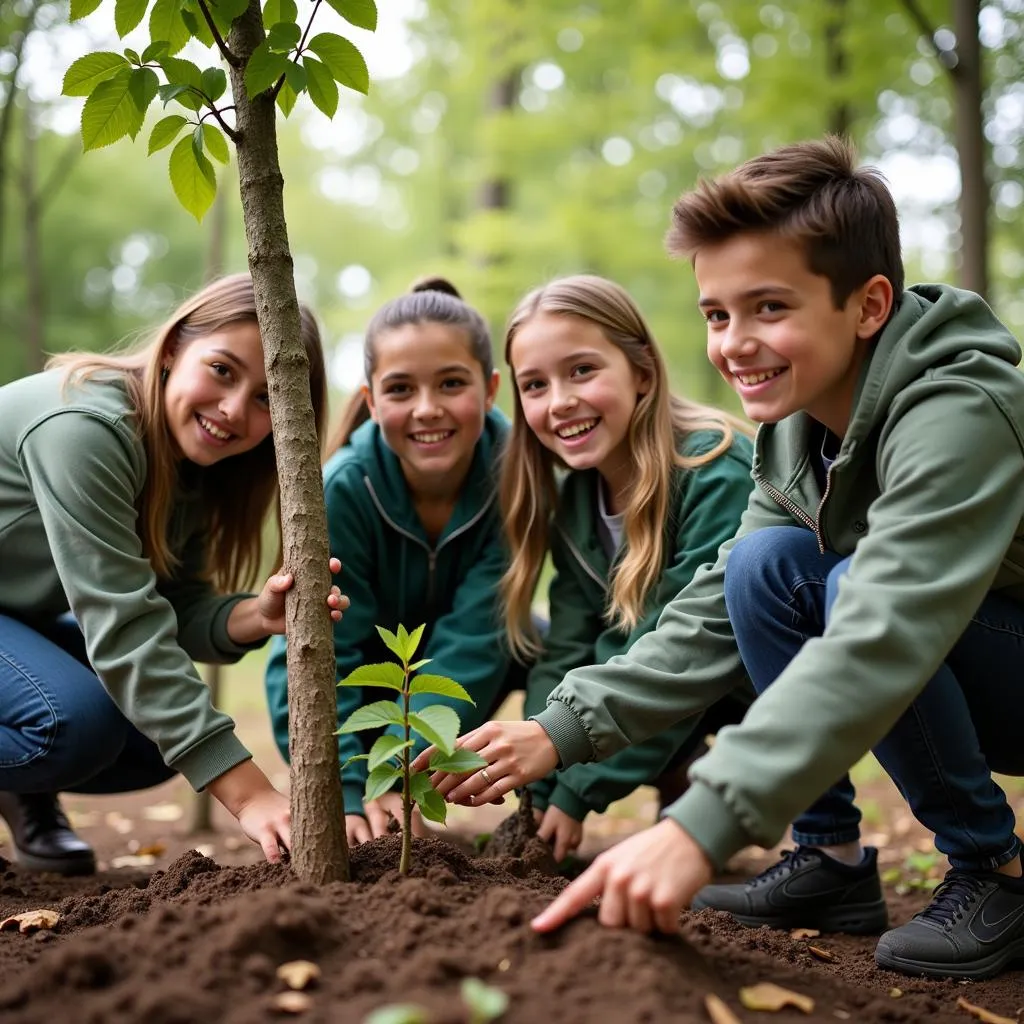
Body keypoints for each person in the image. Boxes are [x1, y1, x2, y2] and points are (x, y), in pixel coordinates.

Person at [419, 137, 1024, 980]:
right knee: (762, 569)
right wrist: (558, 728)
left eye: (768, 308)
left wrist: (702, 824)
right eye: (716, 314)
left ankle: (996, 870)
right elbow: (709, 612)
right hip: (955, 646)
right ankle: (830, 861)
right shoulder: (794, 429)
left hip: (982, 652)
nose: (735, 343)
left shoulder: (957, 409)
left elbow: (889, 619)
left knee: (850, 585)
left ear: (868, 304)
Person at [0, 273, 346, 875]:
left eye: (266, 397)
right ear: (173, 349)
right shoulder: (86, 429)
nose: (235, 409)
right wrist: (250, 794)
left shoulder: (186, 465)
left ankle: (17, 788)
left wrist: (255, 616)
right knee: (68, 723)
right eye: (222, 369)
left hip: (13, 615)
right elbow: (126, 629)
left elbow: (172, 602)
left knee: (149, 740)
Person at [498, 274, 754, 862]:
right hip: (670, 684)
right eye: (534, 384)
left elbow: (681, 655)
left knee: (656, 650)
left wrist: (578, 792)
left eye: (582, 370)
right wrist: (539, 792)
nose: (559, 400)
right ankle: (685, 786)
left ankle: (725, 802)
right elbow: (568, 646)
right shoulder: (576, 503)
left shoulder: (713, 468)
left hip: (742, 684)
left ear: (642, 371)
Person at [264, 277, 513, 847]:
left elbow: (477, 637)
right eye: (401, 389)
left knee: (537, 634)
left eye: (452, 383)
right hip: (363, 699)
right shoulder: (342, 490)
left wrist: (414, 775)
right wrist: (352, 788)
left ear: (491, 388)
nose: (428, 409)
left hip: (456, 691)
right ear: (372, 399)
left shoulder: (515, 480)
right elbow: (310, 653)